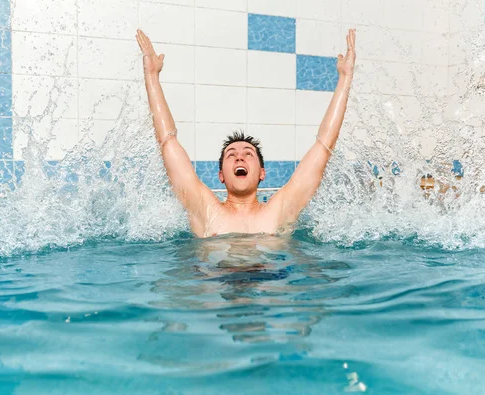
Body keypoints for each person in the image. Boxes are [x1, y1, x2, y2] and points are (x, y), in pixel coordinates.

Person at [136, 28, 356, 238]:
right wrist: (152, 75)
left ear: (262, 172)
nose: (239, 156)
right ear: (220, 176)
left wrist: (345, 78)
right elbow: (167, 141)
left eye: (248, 153)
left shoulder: (279, 210)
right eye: (231, 154)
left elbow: (324, 145)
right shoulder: (205, 209)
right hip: (215, 278)